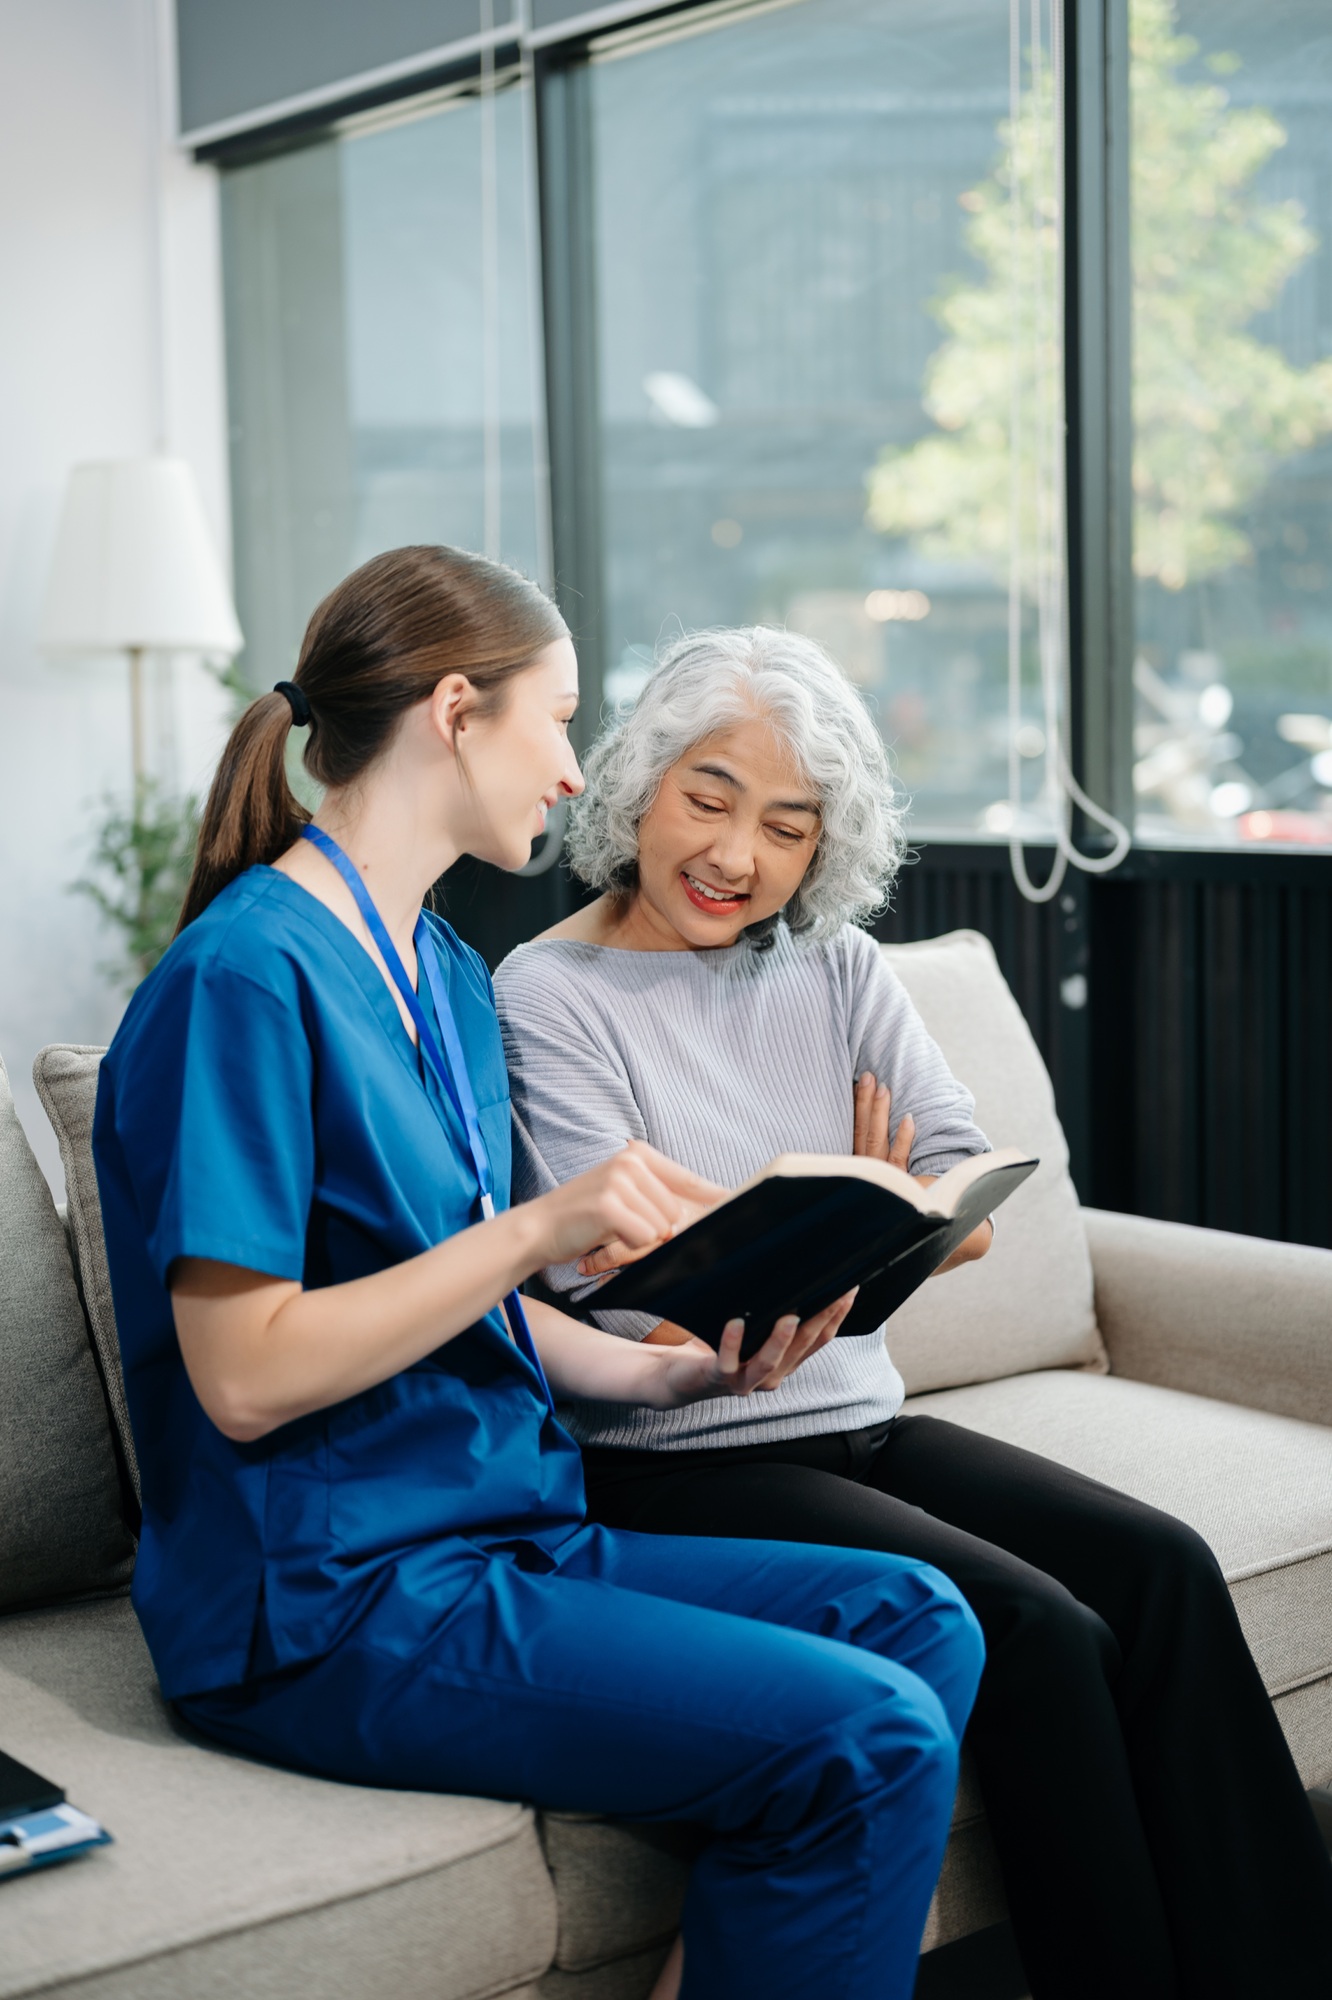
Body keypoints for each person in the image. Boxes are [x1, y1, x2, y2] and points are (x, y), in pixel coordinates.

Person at [91, 548, 985, 2000]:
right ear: (457, 712)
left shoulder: (436, 967)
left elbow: (478, 1308)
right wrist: (538, 1225)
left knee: (918, 1617)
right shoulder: (241, 981)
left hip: (501, 1534)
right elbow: (245, 1378)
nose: (577, 774)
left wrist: (673, 1368)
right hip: (331, 1602)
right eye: (558, 721)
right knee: (866, 1733)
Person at [494, 624, 1332, 2000]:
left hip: (857, 1421)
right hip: (680, 1464)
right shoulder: (549, 992)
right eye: (708, 800)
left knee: (1164, 1565)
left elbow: (971, 1195)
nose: (737, 857)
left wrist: (835, 1218)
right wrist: (849, 1199)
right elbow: (621, 1294)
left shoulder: (831, 966)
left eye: (787, 826)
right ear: (640, 784)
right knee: (1042, 1627)